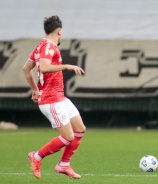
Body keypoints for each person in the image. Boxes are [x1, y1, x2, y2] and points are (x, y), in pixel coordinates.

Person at [23, 15, 86, 179]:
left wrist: (35, 89)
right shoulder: (48, 47)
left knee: (79, 130)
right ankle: (36, 157)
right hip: (51, 100)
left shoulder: (40, 46)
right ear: (59, 31)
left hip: (59, 97)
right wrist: (66, 66)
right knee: (68, 137)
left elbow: (26, 68)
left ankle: (64, 164)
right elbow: (43, 68)